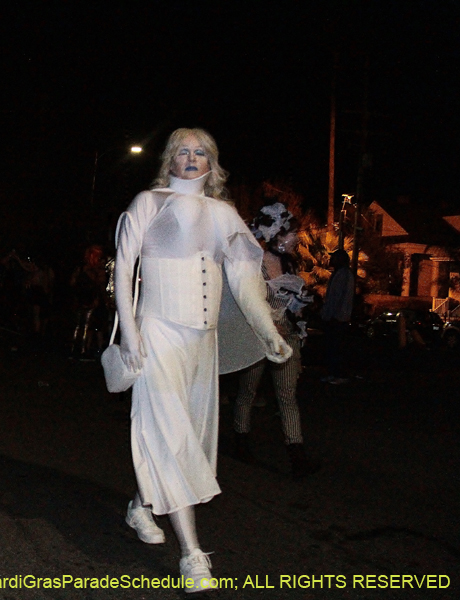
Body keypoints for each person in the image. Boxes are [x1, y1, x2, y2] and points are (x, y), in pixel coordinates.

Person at [113, 128, 291, 593]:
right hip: (158, 333)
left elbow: (244, 278)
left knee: (182, 434)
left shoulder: (224, 213)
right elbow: (124, 265)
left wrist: (268, 329)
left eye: (200, 152)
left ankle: (141, 504)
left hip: (202, 340)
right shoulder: (149, 202)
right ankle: (193, 554)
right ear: (169, 160)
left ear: (213, 163)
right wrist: (131, 334)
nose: (191, 159)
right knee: (171, 432)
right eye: (182, 152)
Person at [234, 202, 320, 478]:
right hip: (258, 335)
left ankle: (297, 455)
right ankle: (240, 440)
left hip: (286, 336)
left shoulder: (290, 265)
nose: (296, 238)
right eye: (291, 233)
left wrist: (302, 306)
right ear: (277, 234)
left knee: (287, 395)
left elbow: (292, 305)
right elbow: (249, 302)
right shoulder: (255, 264)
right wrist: (269, 326)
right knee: (248, 389)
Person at [320, 249, 355, 384]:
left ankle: (340, 374)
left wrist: (335, 316)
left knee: (337, 349)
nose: (331, 260)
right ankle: (333, 373)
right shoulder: (338, 274)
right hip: (333, 317)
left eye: (334, 258)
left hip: (338, 319)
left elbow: (340, 298)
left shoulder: (344, 275)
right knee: (332, 348)